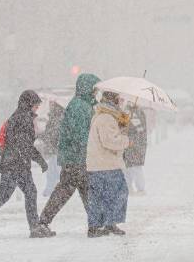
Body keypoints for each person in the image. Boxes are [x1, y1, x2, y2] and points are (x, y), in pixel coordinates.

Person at [0, 90, 53, 239]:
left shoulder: (17, 117)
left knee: (5, 195)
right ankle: (34, 228)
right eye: (35, 105)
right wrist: (40, 160)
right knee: (29, 192)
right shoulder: (23, 118)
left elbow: (22, 144)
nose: (37, 108)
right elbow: (25, 145)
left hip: (12, 162)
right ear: (28, 104)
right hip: (18, 163)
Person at [38, 73, 101, 234]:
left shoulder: (82, 104)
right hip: (77, 157)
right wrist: (91, 149)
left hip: (75, 157)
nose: (96, 92)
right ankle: (43, 221)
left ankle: (95, 226)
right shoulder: (80, 106)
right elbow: (80, 134)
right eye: (94, 89)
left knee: (83, 190)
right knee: (68, 190)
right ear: (88, 88)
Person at [86, 91, 130, 238]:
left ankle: (101, 225)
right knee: (118, 193)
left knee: (101, 197)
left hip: (98, 164)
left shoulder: (104, 115)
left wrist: (121, 127)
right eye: (119, 98)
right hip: (106, 164)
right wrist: (126, 140)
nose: (121, 101)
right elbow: (109, 141)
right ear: (113, 100)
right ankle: (104, 224)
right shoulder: (106, 118)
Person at [41, 101, 64, 197]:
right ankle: (51, 189)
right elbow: (49, 133)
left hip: (56, 150)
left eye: (52, 104)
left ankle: (54, 190)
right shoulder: (54, 117)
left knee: (55, 171)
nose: (49, 106)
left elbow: (53, 133)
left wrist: (47, 139)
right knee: (52, 171)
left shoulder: (57, 118)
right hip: (54, 150)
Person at [124, 104, 148, 195]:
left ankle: (137, 188)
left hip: (133, 144)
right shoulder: (139, 112)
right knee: (132, 167)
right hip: (136, 144)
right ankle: (133, 187)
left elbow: (139, 130)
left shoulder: (131, 113)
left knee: (133, 167)